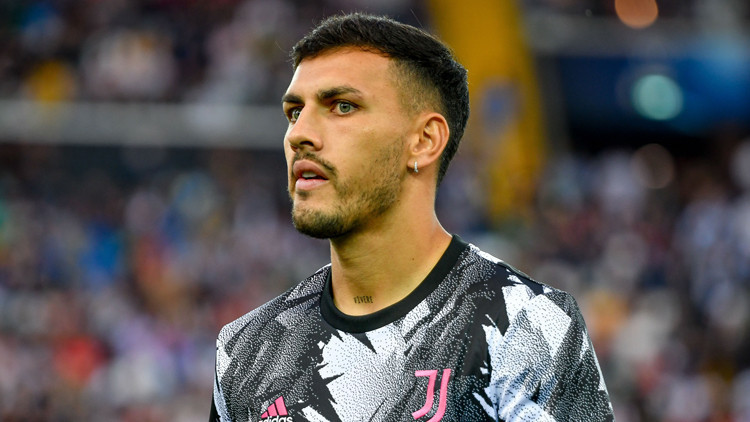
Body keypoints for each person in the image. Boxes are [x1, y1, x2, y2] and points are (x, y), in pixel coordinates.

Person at [210, 13, 614, 422]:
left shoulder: (527, 326)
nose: (299, 134)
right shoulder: (245, 350)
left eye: (342, 106)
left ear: (424, 141)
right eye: (295, 112)